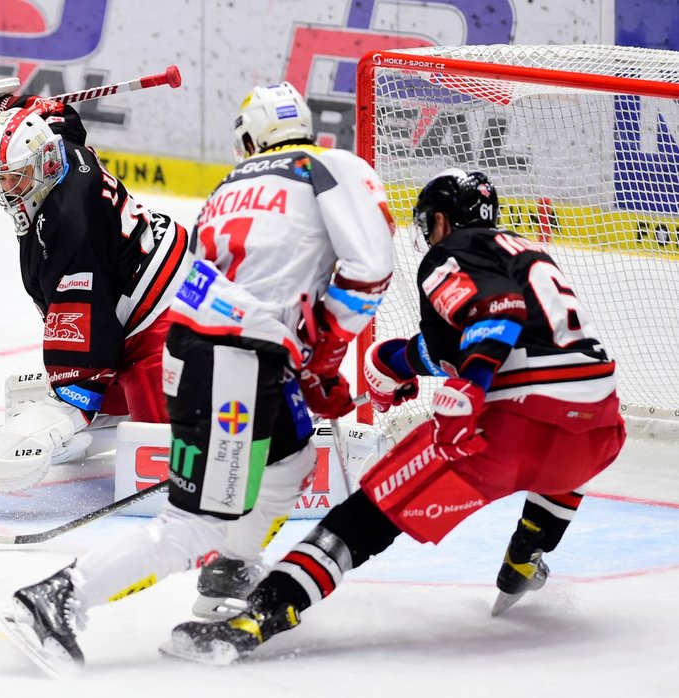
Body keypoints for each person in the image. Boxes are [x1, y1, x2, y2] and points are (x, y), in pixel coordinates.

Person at [0, 81, 396, 675]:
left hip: (200, 344)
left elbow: (223, 281)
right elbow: (367, 271)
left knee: (290, 462)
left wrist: (295, 365)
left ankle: (229, 566)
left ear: (249, 139)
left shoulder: (231, 187)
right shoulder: (333, 166)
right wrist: (323, 361)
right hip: (239, 356)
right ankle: (53, 602)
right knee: (191, 522)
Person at [160, 169, 628, 665]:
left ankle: (257, 617)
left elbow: (497, 314)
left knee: (361, 520)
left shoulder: (450, 252)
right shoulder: (524, 251)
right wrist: (395, 364)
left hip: (508, 432)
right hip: (599, 434)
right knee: (560, 452)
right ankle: (525, 556)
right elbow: (472, 342)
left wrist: (466, 392)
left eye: (429, 223)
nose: (427, 233)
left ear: (442, 220)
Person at [0, 63, 191, 493]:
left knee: (165, 449)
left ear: (43, 164)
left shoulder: (69, 226)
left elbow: (84, 328)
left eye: (15, 177)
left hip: (164, 322)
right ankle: (129, 399)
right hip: (148, 284)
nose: (7, 190)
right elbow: (55, 113)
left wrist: (67, 412)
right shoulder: (60, 147)